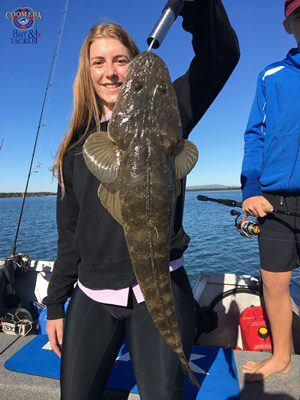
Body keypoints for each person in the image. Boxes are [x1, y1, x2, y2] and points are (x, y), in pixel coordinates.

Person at [45, 1, 239, 399]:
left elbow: (221, 56)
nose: (110, 72)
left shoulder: (172, 113)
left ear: (135, 63)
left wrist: (198, 7)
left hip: (162, 289)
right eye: (98, 62)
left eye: (120, 60)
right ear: (87, 72)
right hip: (93, 295)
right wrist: (54, 305)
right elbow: (69, 236)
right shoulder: (75, 151)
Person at [241, 0, 300, 382]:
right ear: (289, 25)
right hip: (276, 201)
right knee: (275, 283)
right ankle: (282, 356)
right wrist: (250, 187)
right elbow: (255, 136)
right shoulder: (271, 75)